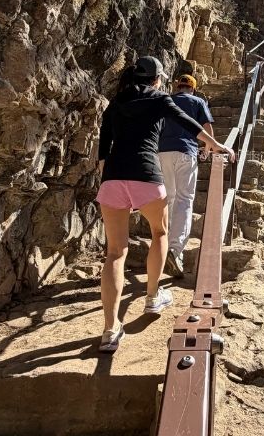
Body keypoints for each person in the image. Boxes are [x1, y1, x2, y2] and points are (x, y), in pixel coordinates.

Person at [95, 56, 235, 353]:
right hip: (147, 175)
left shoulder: (116, 103)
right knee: (159, 233)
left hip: (113, 178)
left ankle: (109, 330)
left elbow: (104, 143)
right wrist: (215, 145)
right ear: (158, 79)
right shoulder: (159, 100)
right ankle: (152, 297)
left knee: (115, 252)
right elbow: (188, 123)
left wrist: (105, 174)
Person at [158, 74, 214, 278]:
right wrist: (208, 149)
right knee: (184, 200)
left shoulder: (166, 100)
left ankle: (162, 247)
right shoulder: (198, 102)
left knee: (168, 198)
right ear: (193, 88)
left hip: (162, 152)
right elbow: (207, 129)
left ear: (176, 86)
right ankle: (175, 250)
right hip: (186, 152)